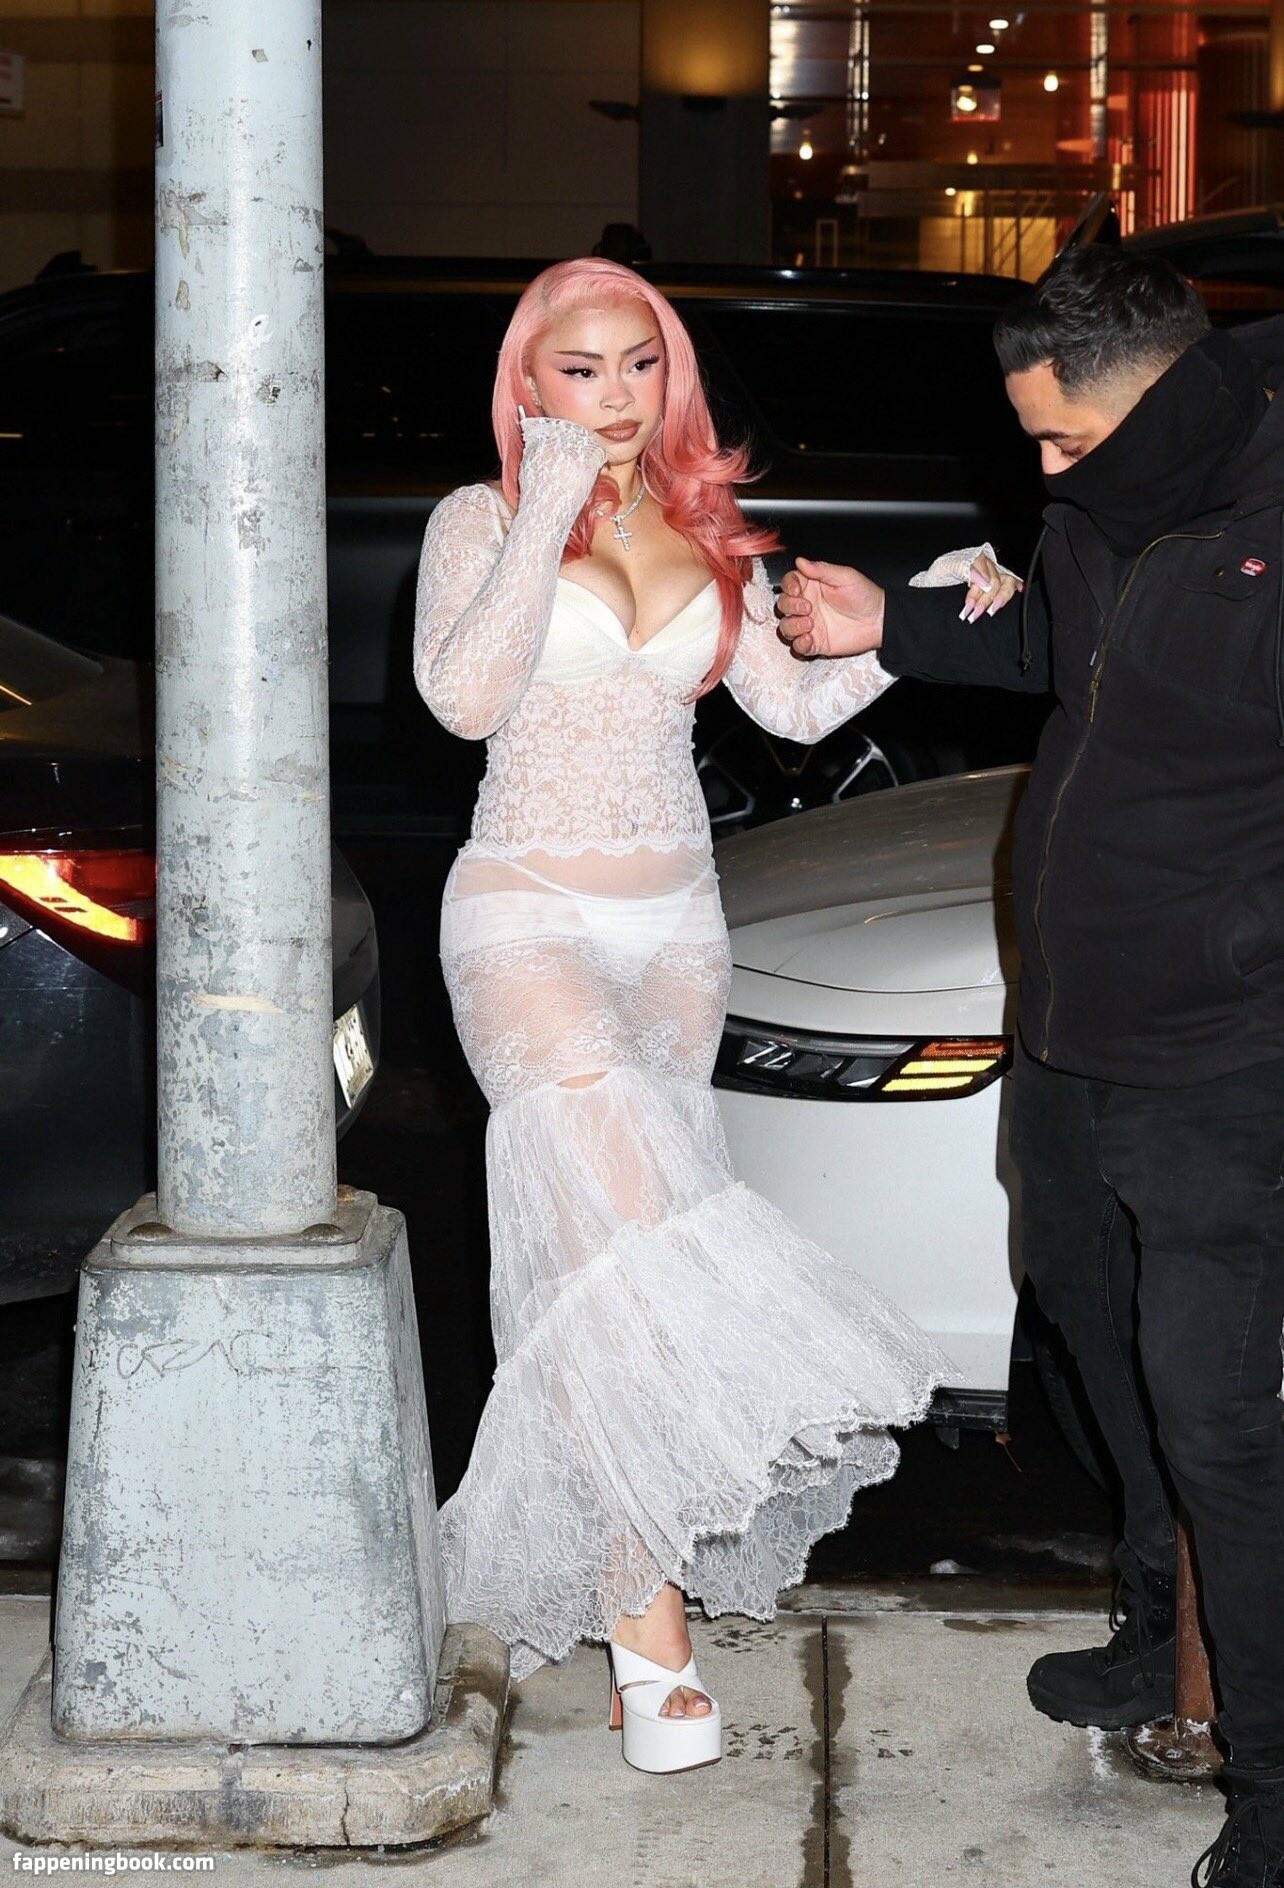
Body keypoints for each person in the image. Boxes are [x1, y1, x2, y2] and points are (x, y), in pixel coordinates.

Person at [411, 256, 1016, 1776]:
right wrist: (549, 501)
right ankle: (651, 1628)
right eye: (579, 370)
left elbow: (793, 713)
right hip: (527, 910)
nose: (614, 397)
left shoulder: (702, 526)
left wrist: (919, 619)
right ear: (526, 382)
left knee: (604, 1269)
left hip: (679, 927)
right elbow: (463, 699)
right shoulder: (478, 518)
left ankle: (634, 1588)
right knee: (628, 1243)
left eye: (639, 365)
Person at [776, 242, 1284, 1888]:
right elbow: (1061, 651)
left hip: (1224, 1056)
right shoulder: (1103, 511)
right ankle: (1152, 1627)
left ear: (1163, 403)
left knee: (1221, 1417)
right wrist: (894, 622)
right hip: (1071, 1029)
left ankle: (1275, 1791)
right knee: (1089, 1324)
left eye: (1065, 439)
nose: (1043, 471)